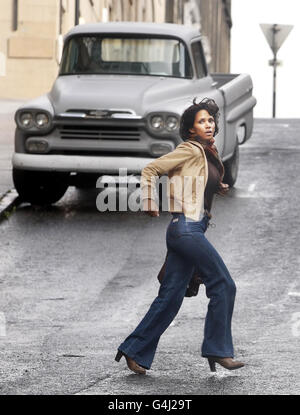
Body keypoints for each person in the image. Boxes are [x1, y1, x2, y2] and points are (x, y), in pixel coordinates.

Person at [115, 98, 245, 374]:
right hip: (186, 228)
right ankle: (218, 350)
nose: (208, 124)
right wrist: (149, 199)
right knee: (223, 284)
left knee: (171, 296)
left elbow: (196, 181)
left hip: (189, 228)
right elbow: (152, 169)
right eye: (202, 121)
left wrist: (216, 186)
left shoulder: (206, 153)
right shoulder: (189, 149)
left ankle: (134, 349)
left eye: (210, 120)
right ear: (190, 129)